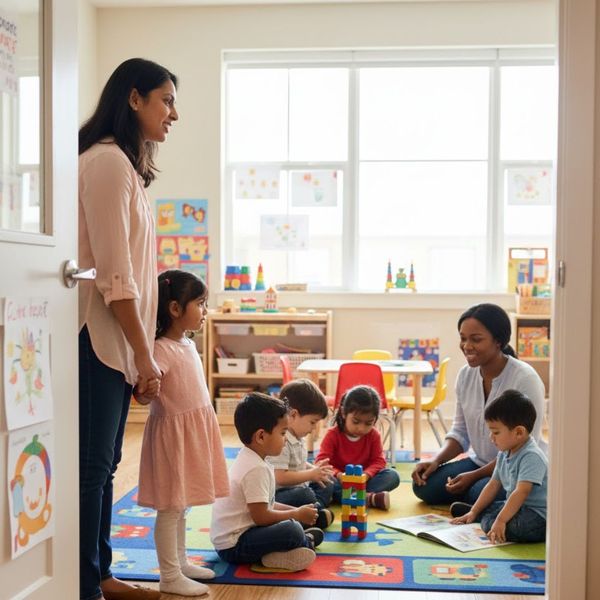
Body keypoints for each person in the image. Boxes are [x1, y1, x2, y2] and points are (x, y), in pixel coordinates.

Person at [78, 58, 178, 600]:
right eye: (165, 100)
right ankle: (83, 582)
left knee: (105, 464)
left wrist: (140, 350)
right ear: (134, 98)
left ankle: (99, 574)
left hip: (117, 341)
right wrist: (146, 356)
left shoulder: (125, 168)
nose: (173, 114)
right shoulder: (106, 163)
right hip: (99, 338)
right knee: (92, 469)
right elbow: (115, 277)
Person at [136, 270, 229, 596]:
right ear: (175, 309)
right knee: (171, 507)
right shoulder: (161, 349)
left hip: (192, 432)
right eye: (200, 304)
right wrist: (146, 390)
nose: (205, 311)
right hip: (173, 438)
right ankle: (170, 575)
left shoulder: (186, 343)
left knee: (183, 504)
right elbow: (144, 389)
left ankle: (179, 562)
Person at [412, 303, 547, 507]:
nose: (467, 346)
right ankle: (480, 504)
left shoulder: (524, 379)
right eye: (463, 338)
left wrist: (473, 476)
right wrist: (436, 460)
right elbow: (460, 432)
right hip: (480, 462)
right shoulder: (466, 375)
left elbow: (525, 446)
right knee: (424, 485)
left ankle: (482, 503)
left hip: (518, 467)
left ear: (498, 341)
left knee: (477, 491)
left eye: (476, 339)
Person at [211, 393, 324, 571]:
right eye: (283, 432)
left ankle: (298, 542)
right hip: (234, 547)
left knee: (294, 523)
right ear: (261, 437)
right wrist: (296, 515)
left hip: (239, 537)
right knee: (292, 530)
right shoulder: (255, 469)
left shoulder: (255, 459)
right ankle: (293, 546)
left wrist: (297, 511)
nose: (286, 438)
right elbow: (262, 517)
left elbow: (268, 504)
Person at [450, 390, 548, 544]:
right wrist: (473, 510)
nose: (491, 437)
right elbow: (493, 484)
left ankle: (486, 518)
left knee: (507, 525)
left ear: (519, 432)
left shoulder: (532, 456)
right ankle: (477, 514)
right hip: (518, 507)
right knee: (492, 511)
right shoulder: (504, 453)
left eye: (496, 432)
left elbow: (521, 492)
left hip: (538, 516)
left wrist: (501, 520)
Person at [315, 385, 400, 510]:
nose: (361, 428)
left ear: (375, 419)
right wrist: (339, 475)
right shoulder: (333, 435)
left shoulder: (373, 435)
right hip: (340, 481)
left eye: (368, 423)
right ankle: (365, 498)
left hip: (363, 481)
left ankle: (350, 497)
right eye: (355, 422)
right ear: (344, 413)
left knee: (392, 476)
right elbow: (321, 462)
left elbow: (379, 461)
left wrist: (366, 475)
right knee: (326, 480)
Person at [266, 379, 335, 529]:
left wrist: (316, 471)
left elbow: (299, 463)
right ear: (293, 415)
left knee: (328, 483)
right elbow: (281, 477)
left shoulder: (298, 436)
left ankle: (313, 512)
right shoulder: (280, 440)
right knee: (305, 495)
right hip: (279, 494)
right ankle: (312, 513)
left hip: (298, 485)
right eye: (312, 422)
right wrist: (311, 474)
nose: (315, 428)